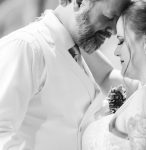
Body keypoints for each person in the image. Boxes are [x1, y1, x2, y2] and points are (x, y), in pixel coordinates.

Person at [0, 0, 138, 150]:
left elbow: (108, 77)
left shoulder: (76, 51)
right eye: (110, 17)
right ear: (79, 2)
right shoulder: (26, 47)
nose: (114, 30)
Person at [82, 1, 146, 150]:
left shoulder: (145, 99)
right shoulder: (141, 91)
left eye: (121, 41)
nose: (116, 51)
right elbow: (106, 75)